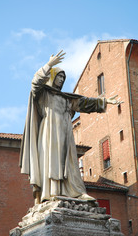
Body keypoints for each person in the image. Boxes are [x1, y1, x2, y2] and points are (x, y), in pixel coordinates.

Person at [19, 50, 122, 204]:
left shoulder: (66, 98)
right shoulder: (43, 94)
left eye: (63, 78)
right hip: (49, 132)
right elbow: (35, 83)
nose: (61, 80)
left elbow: (84, 103)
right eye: (58, 76)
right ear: (52, 77)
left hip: (66, 132)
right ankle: (52, 192)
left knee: (70, 162)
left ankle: (76, 192)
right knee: (52, 160)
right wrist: (49, 65)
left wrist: (105, 101)